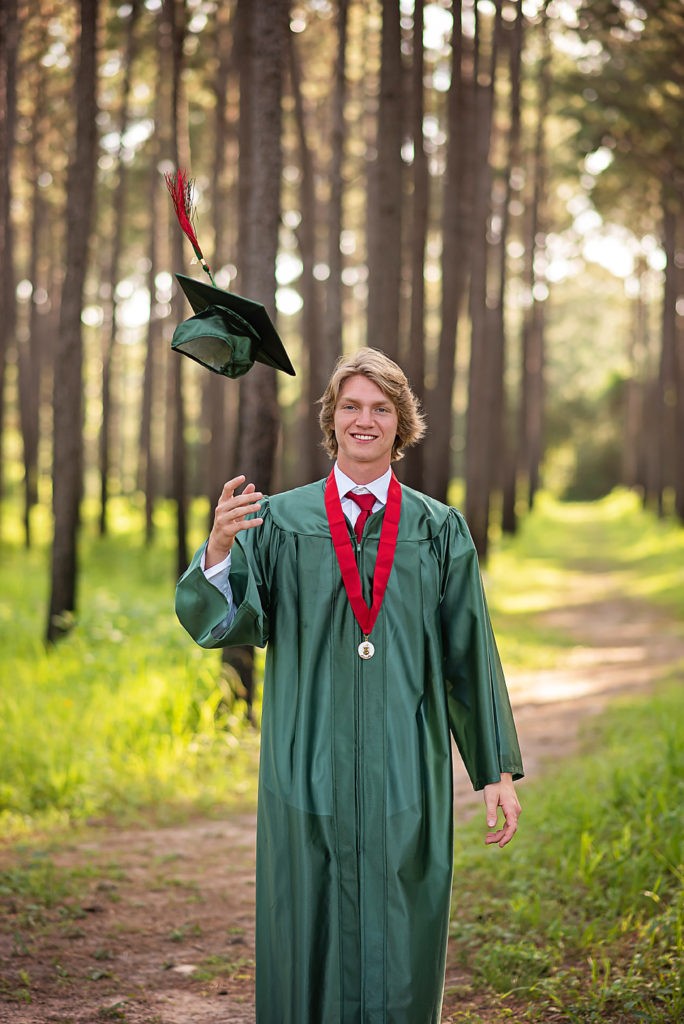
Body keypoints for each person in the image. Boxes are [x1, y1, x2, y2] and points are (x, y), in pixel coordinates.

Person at [175, 347, 523, 1024]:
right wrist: (218, 552)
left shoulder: (437, 529)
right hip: (305, 765)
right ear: (333, 419)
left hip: (403, 769)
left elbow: (468, 654)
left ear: (402, 423)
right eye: (353, 407)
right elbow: (225, 624)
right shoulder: (278, 521)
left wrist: (496, 770)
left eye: (382, 408)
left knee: (400, 931)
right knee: (305, 924)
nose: (366, 420)